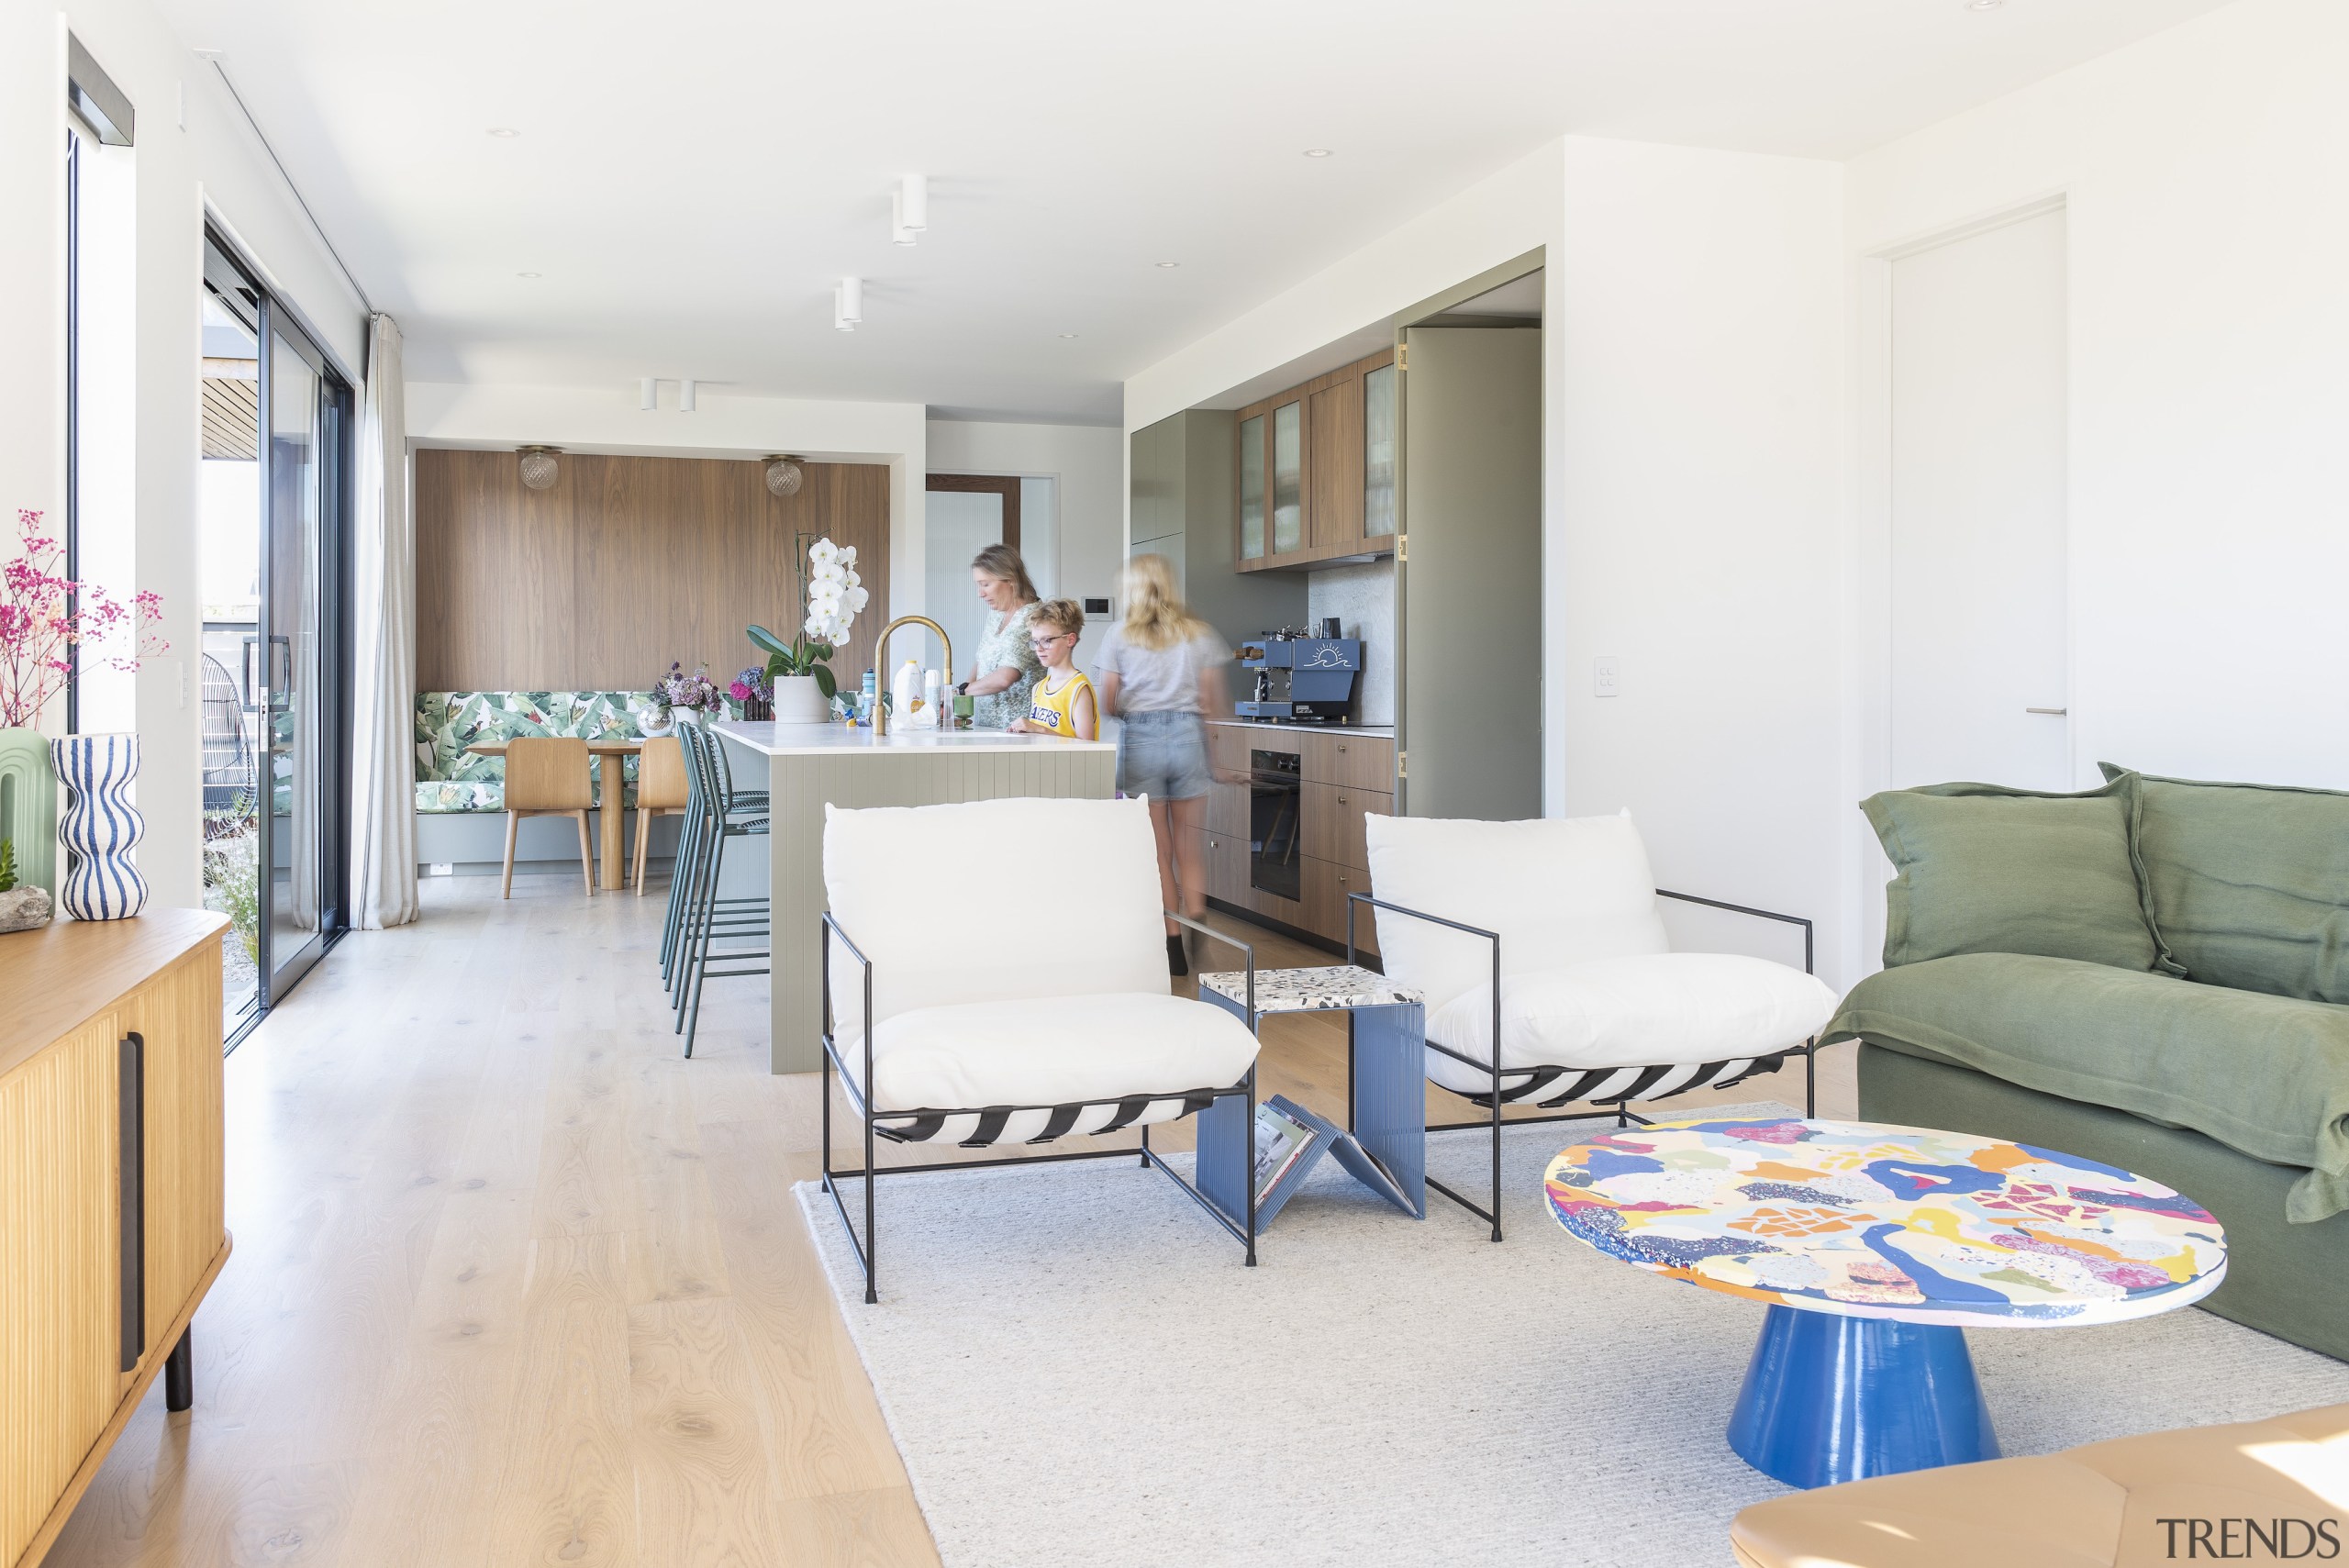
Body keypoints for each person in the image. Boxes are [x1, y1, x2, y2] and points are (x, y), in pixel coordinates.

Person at [1095, 553, 1234, 976]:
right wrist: (1218, 761)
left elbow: (1106, 701)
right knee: (1190, 847)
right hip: (1190, 737)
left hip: (1142, 739)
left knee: (1159, 851)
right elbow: (1211, 705)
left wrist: (1137, 712)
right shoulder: (1201, 634)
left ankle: (1172, 944)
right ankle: (1200, 932)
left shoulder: (1118, 635)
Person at [956, 543, 1045, 729]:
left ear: (1010, 579)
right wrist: (958, 705)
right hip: (986, 726)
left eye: (986, 584)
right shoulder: (996, 614)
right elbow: (981, 662)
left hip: (1018, 729)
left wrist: (962, 691)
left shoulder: (1032, 617)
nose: (980, 594)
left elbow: (1005, 677)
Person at [1008, 599, 1097, 740]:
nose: (1039, 648)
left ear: (1070, 640)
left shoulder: (1078, 689)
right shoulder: (1038, 688)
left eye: (1047, 640)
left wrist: (1038, 729)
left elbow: (1086, 746)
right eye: (1035, 641)